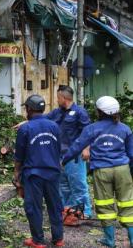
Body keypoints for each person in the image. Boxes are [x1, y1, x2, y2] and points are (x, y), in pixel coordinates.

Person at [62, 96, 133, 248]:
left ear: (99, 112)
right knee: (127, 204)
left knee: (105, 204)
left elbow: (76, 146)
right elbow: (131, 154)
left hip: (102, 171)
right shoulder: (125, 129)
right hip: (122, 170)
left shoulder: (92, 128)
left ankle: (109, 240)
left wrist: (63, 161)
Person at [15, 85, 92, 222]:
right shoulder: (57, 113)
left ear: (64, 97)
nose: (57, 100)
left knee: (78, 184)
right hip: (59, 155)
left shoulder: (80, 112)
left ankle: (84, 211)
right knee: (63, 185)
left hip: (74, 156)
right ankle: (68, 211)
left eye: (58, 97)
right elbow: (40, 117)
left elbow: (87, 132)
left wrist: (86, 149)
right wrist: (25, 122)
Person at [14, 94, 63, 248]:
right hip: (53, 173)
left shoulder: (25, 128)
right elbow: (58, 150)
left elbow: (19, 155)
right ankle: (58, 238)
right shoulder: (54, 126)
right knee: (54, 205)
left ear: (29, 108)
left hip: (33, 175)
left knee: (34, 207)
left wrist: (17, 175)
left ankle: (38, 241)